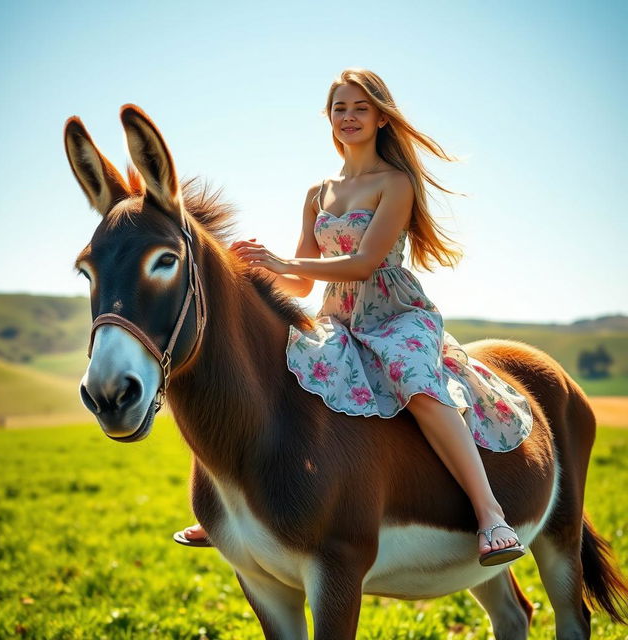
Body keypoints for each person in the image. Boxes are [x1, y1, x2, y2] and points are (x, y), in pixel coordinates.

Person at [174, 67, 533, 567]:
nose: (349, 117)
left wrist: (285, 262)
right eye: (340, 108)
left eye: (360, 108)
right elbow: (301, 285)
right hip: (337, 319)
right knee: (261, 373)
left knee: (416, 380)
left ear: (382, 118)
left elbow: (364, 264)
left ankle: (490, 513)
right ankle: (234, 509)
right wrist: (249, 269)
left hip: (395, 315)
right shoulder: (317, 193)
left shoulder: (396, 183)